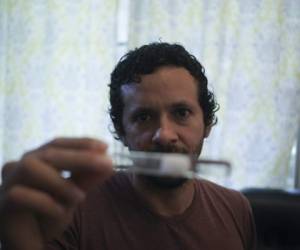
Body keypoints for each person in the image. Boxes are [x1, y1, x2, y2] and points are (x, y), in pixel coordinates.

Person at [0, 42, 256, 250]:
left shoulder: (237, 209)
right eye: (143, 117)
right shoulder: (71, 210)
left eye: (181, 112)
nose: (164, 135)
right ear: (121, 132)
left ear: (207, 123)